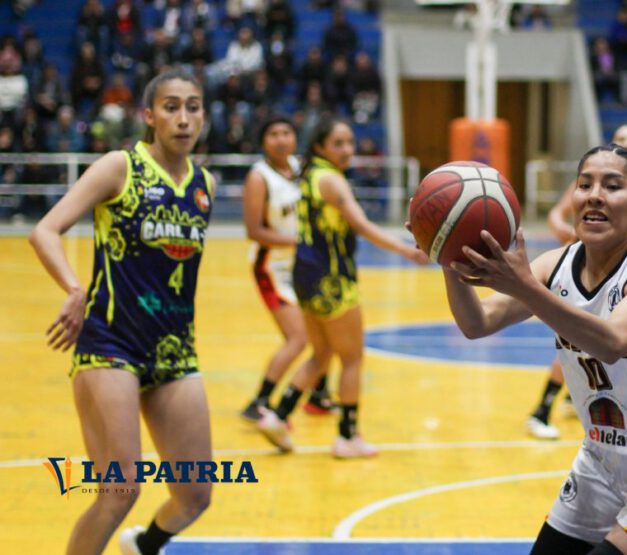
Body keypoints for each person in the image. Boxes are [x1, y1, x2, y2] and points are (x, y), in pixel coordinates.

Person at [441, 143, 627, 554]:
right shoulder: (556, 265)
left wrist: (525, 287)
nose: (595, 194)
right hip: (600, 466)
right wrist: (448, 253)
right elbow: (476, 323)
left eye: (612, 186)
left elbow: (612, 341)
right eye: (585, 183)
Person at [29, 69, 213, 554]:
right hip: (110, 342)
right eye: (171, 107)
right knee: (120, 489)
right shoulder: (120, 167)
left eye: (193, 106)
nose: (183, 118)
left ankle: (144, 546)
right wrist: (73, 287)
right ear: (149, 116)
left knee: (196, 495)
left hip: (174, 349)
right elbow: (45, 230)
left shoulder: (204, 185)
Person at [256, 117, 428, 458]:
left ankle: (278, 415)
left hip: (305, 277)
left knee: (321, 355)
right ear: (320, 146)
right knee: (352, 359)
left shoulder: (310, 175)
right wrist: (406, 249)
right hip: (332, 280)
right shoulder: (332, 181)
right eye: (338, 143)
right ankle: (348, 435)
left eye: (350, 142)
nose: (347, 149)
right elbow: (362, 225)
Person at [527, 123, 627, 441]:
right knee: (579, 341)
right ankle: (542, 408)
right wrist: (572, 234)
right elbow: (556, 216)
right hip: (599, 269)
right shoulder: (594, 184)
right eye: (622, 139)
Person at [241, 116, 335, 422]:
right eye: (273, 134)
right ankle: (260, 400)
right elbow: (254, 231)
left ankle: (318, 395)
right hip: (272, 268)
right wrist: (299, 242)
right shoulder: (259, 177)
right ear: (263, 141)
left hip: (303, 265)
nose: (281, 139)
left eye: (286, 133)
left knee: (323, 331)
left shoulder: (301, 169)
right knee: (299, 338)